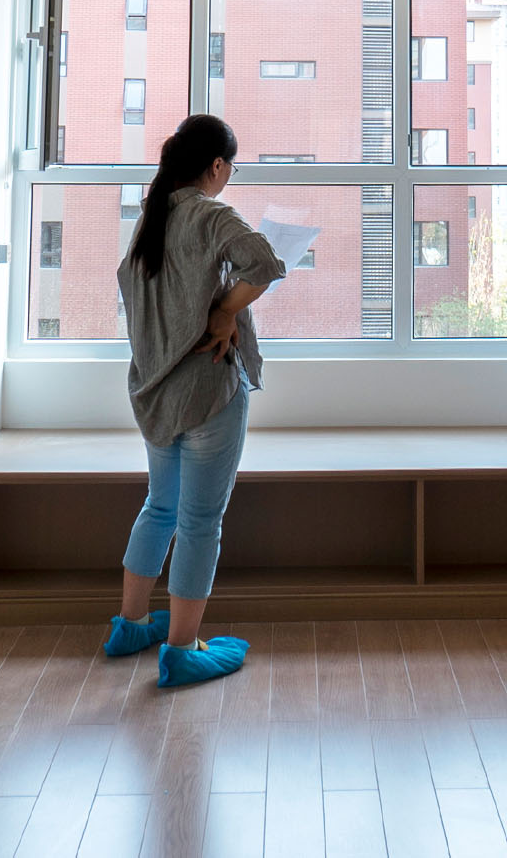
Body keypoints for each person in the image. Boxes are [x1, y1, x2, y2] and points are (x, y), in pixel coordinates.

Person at [105, 114, 286, 687]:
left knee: (160, 506)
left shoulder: (149, 220)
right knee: (201, 521)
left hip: (154, 394)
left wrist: (215, 302)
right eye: (230, 166)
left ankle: (131, 624)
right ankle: (181, 650)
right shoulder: (211, 214)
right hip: (208, 390)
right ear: (216, 166)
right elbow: (266, 263)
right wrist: (225, 310)